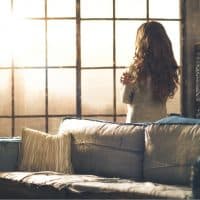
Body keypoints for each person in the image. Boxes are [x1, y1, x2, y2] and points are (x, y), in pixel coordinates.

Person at [120, 21, 179, 123]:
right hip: (159, 125)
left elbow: (125, 99)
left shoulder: (135, 69)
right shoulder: (166, 68)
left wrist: (125, 84)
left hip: (136, 126)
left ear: (141, 42)